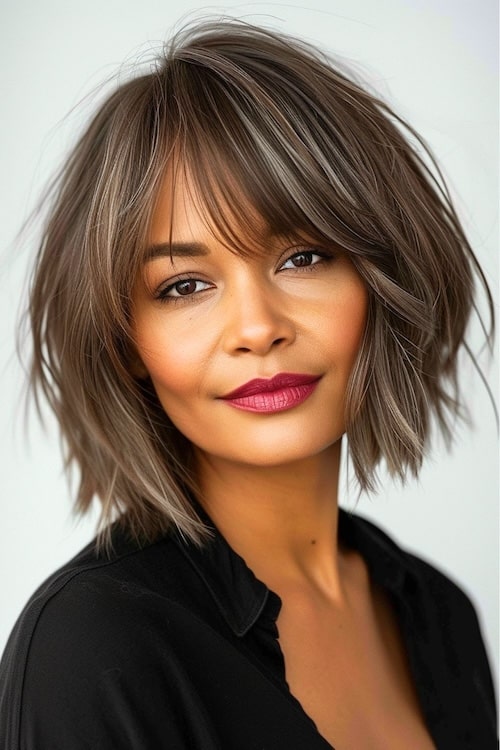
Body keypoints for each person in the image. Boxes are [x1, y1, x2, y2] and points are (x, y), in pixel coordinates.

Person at [0, 17, 497, 750]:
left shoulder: (440, 614)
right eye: (185, 285)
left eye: (302, 257)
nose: (257, 327)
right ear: (126, 340)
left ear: (380, 278)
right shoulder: (91, 649)